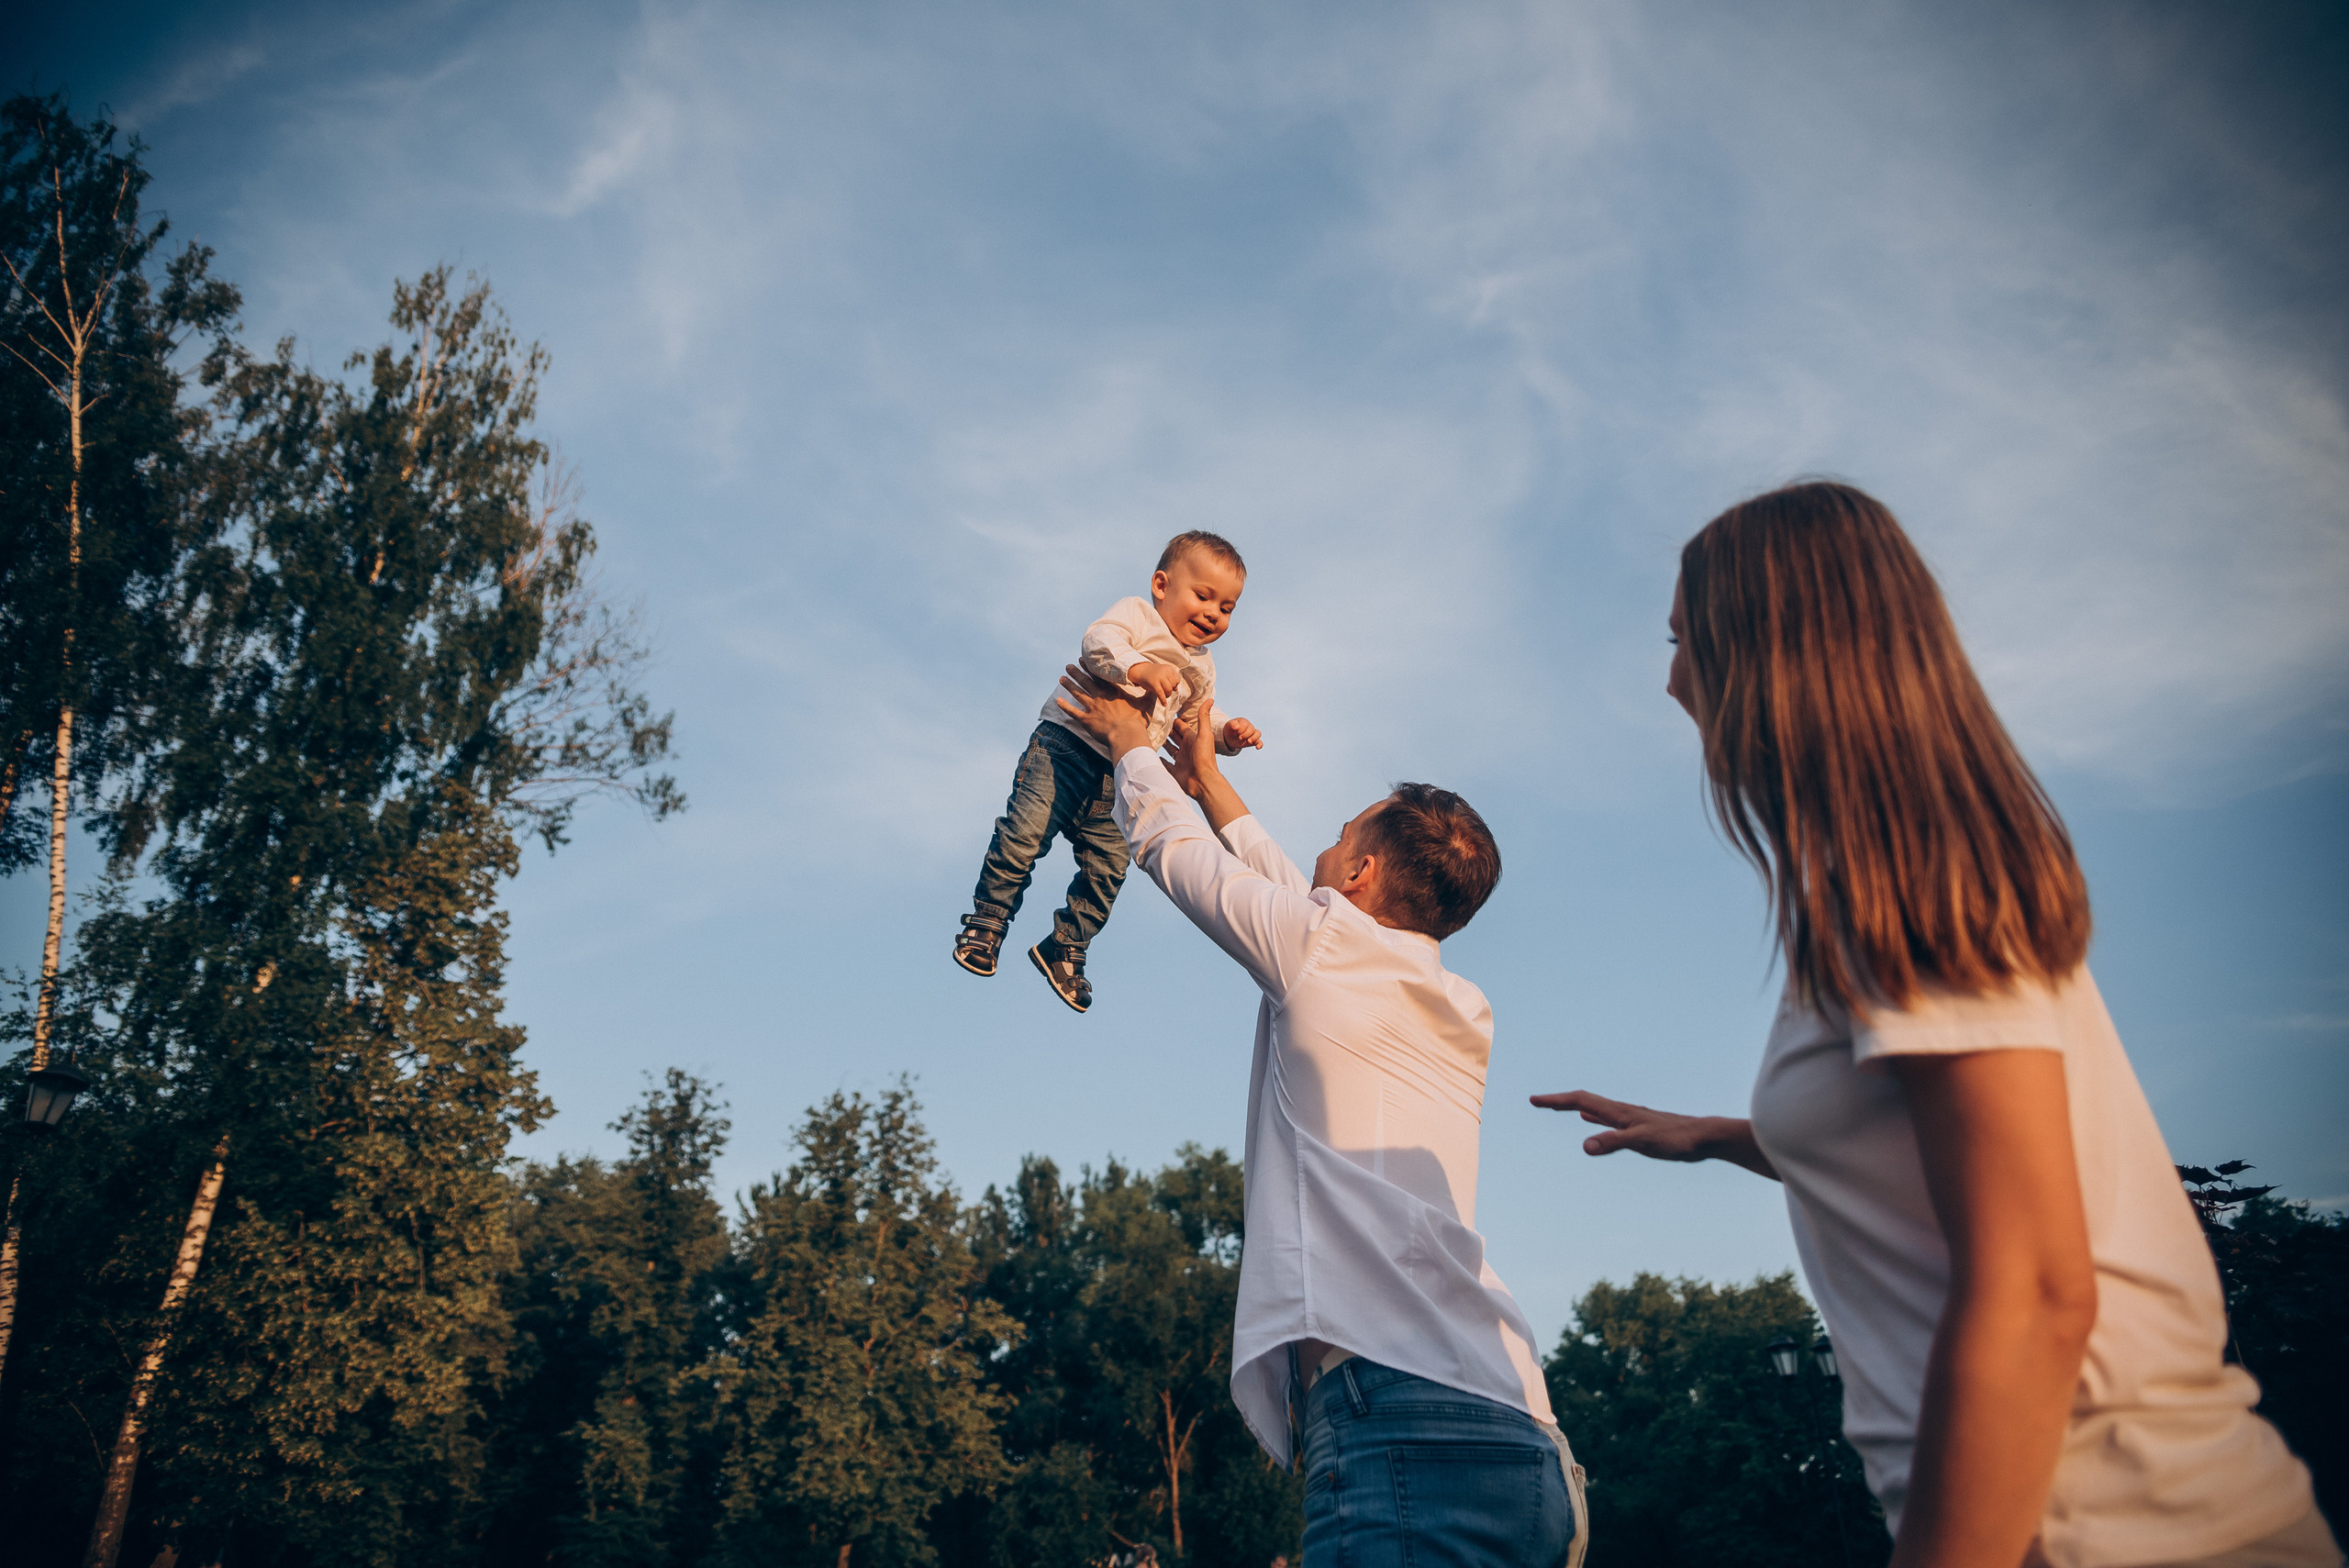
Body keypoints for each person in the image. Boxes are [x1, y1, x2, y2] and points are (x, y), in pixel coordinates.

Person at [1535, 482, 2335, 1568]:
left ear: (1771, 653)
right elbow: (1944, 1153)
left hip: (2120, 1528)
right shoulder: (1881, 878)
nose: (1671, 677)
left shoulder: (1904, 881)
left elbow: (2039, 1285)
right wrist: (1724, 1134)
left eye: (1687, 640)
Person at [1054, 670, 1589, 1568]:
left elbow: (1175, 852)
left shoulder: (1320, 949)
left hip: (1401, 1426)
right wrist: (1209, 773)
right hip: (1528, 1440)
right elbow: (1299, 911)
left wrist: (1129, 745)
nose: (1325, 848)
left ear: (1362, 871)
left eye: (1340, 837)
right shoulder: (1459, 1003)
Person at [952, 529, 1264, 1012]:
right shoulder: (1137, 616)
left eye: (1226, 608)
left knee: (1108, 870)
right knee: (1022, 837)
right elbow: (1099, 642)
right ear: (1162, 584)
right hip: (1067, 749)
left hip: (1121, 774)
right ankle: (987, 922)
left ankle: (1065, 948)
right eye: (1202, 596)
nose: (1211, 614)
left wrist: (1228, 735)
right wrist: (1139, 669)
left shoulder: (1202, 668)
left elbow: (1195, 721)